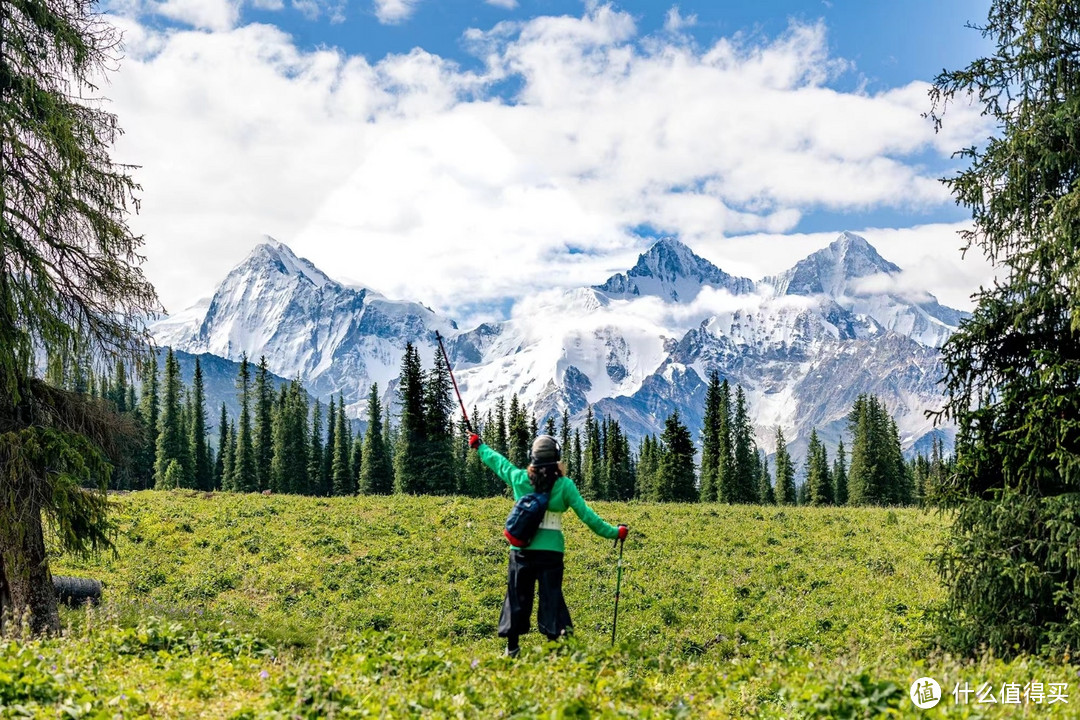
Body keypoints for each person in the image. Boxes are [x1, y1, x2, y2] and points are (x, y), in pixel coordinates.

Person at [469, 432, 628, 657]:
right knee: (551, 599)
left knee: (516, 597)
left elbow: (499, 463)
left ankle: (512, 649)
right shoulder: (564, 485)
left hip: (521, 550)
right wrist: (615, 532)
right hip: (551, 553)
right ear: (557, 458)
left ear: (532, 457)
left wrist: (480, 446)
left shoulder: (519, 478)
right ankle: (559, 652)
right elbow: (588, 516)